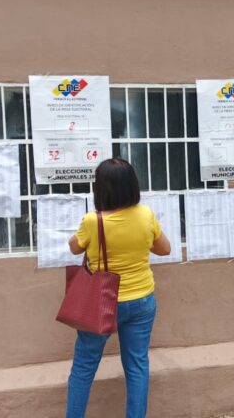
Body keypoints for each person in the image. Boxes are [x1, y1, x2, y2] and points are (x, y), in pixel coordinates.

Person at [66, 158, 171, 418]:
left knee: (84, 367)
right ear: (132, 185)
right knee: (137, 366)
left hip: (101, 303)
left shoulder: (93, 221)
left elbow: (74, 247)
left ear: (101, 189)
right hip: (142, 300)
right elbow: (164, 249)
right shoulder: (145, 215)